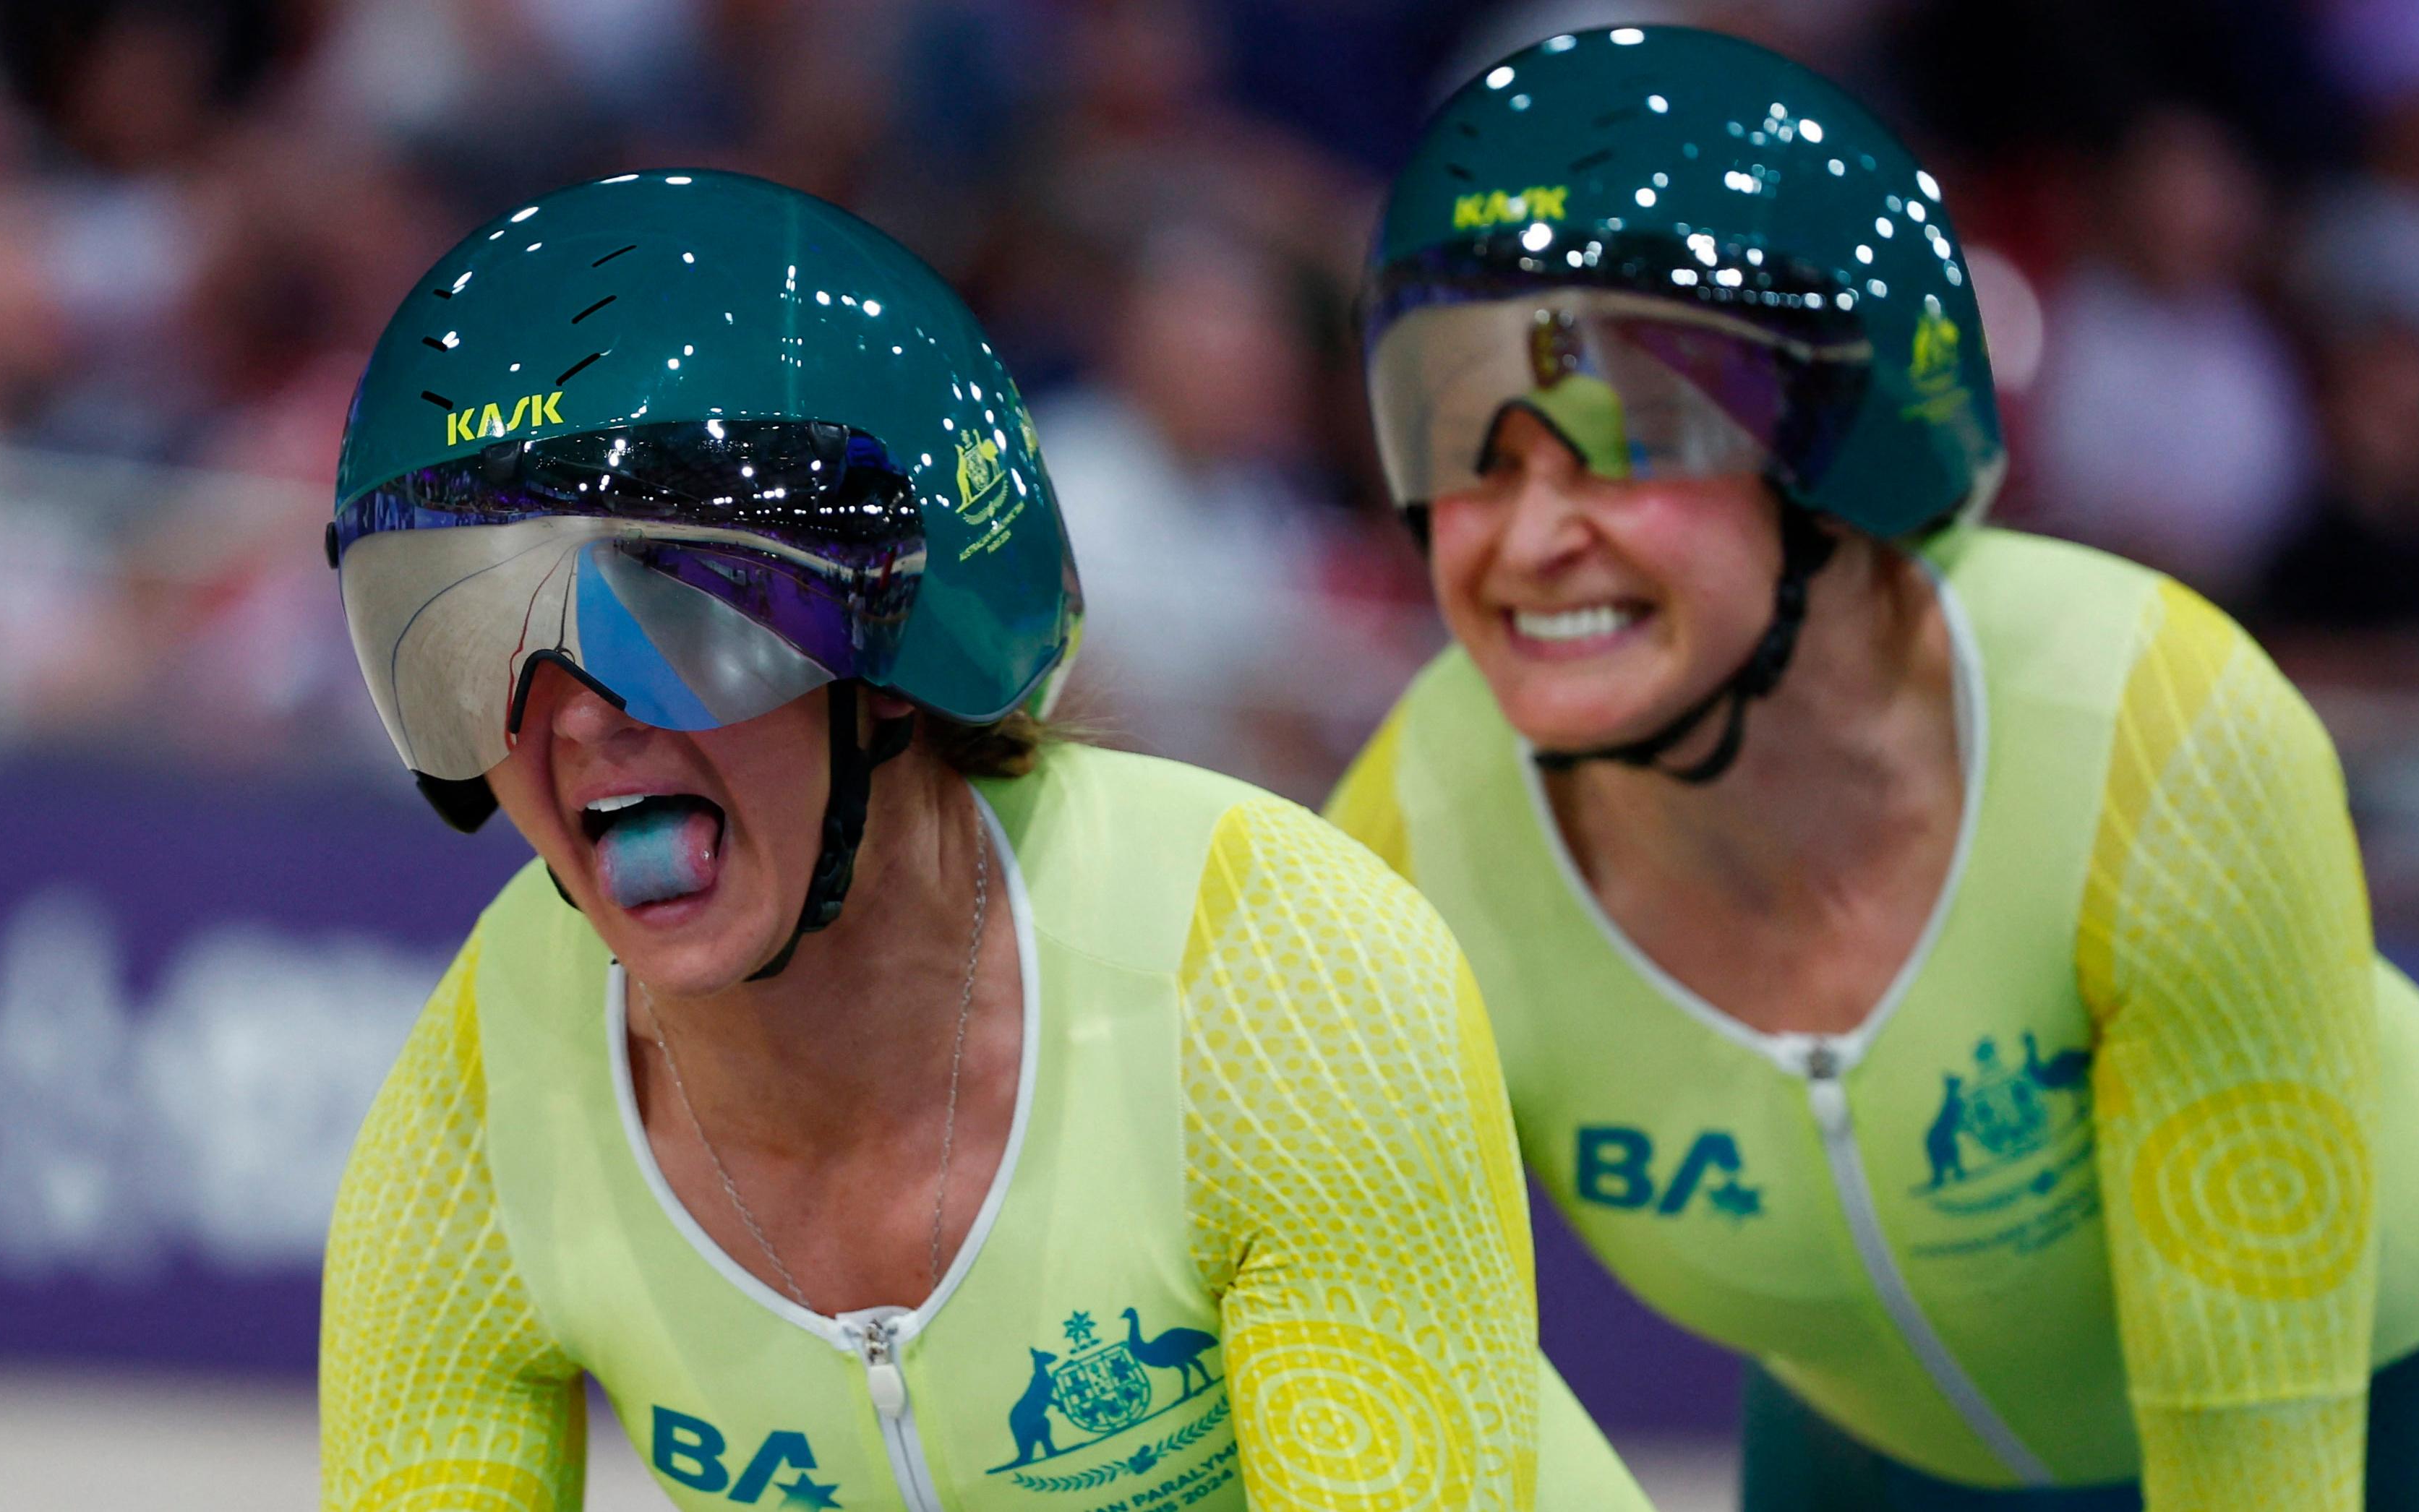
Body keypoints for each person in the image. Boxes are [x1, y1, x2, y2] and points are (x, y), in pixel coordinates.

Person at [1328, 27, 2419, 1511]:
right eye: (1464, 453)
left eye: (1623, 441)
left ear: (1841, 457)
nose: (1523, 540)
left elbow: (2259, 1468)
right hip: (1888, 1449)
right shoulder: (1397, 849)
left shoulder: (2155, 727)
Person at [317, 170, 1647, 1512]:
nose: (579, 719)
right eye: (468, 633)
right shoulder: (481, 1098)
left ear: (903, 647)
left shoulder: (1280, 969)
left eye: (680, 612)